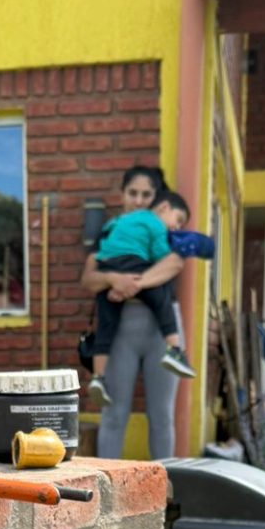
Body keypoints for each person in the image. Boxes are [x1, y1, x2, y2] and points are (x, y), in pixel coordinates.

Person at [81, 164, 185, 460]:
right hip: (120, 329)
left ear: (157, 199)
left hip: (161, 328)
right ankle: (106, 499)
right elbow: (89, 278)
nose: (139, 200)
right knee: (113, 414)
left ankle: (166, 493)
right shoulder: (111, 231)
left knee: (162, 417)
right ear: (122, 195)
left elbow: (175, 264)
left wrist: (132, 284)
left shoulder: (166, 226)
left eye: (146, 194)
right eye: (133, 193)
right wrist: (113, 279)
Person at [87, 189, 196, 407]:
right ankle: (175, 351)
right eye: (178, 220)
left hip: (108, 264)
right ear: (164, 208)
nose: (176, 227)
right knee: (162, 297)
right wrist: (139, 281)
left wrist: (114, 280)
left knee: (105, 328)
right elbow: (162, 256)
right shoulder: (154, 222)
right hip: (133, 262)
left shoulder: (120, 220)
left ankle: (98, 378)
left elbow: (105, 237)